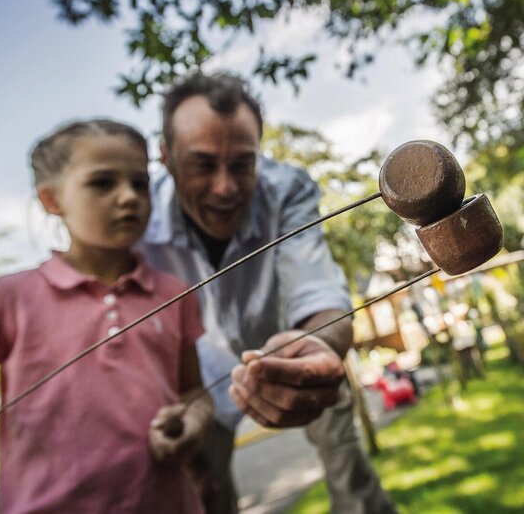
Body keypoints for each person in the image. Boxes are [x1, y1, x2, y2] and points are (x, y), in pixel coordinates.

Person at [0, 120, 212, 512]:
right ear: (51, 200)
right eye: (102, 183)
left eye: (140, 183)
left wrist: (194, 418)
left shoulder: (174, 293)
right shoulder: (5, 299)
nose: (129, 197)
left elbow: (194, 392)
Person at [140, 73, 397, 513]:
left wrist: (319, 348)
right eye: (203, 165)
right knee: (205, 498)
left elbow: (319, 294)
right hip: (195, 385)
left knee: (352, 480)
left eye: (242, 164)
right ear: (167, 158)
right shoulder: (136, 215)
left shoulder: (287, 190)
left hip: (295, 352)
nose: (225, 187)